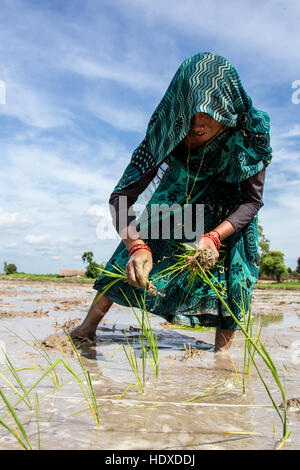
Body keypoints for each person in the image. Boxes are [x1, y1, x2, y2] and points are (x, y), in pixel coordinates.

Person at [71, 52, 272, 353]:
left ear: (226, 107)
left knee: (239, 266)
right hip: (179, 198)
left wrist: (214, 236)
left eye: (209, 114)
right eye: (190, 115)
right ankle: (86, 329)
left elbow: (252, 201)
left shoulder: (250, 131)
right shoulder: (166, 130)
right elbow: (120, 198)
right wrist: (136, 246)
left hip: (231, 209)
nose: (197, 125)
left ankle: (223, 355)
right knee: (138, 246)